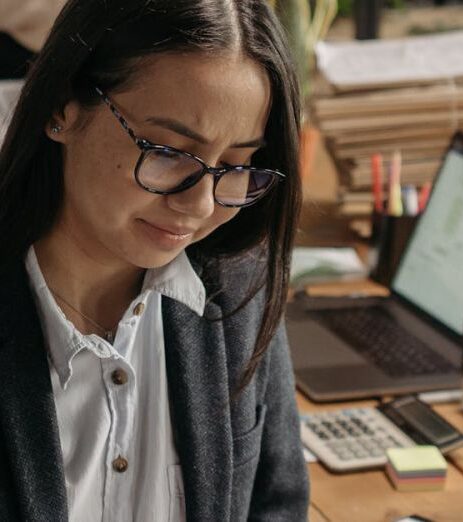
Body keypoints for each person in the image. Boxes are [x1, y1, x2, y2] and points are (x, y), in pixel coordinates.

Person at [0, 0, 308, 520]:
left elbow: (275, 504)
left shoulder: (238, 287)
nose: (200, 205)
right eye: (167, 153)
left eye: (236, 165)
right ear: (61, 108)